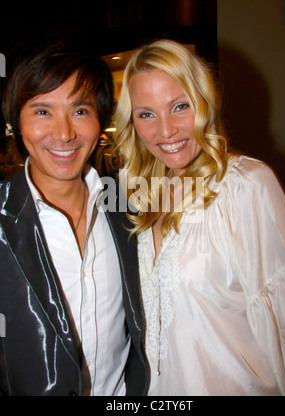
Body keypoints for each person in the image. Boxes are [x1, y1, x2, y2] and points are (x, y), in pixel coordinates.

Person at [114, 39, 285, 396]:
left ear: (203, 103)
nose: (165, 130)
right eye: (146, 114)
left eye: (179, 106)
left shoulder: (248, 186)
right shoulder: (141, 194)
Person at [0, 36, 149, 396]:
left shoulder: (128, 206)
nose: (64, 133)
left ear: (99, 121)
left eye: (80, 110)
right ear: (17, 122)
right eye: (42, 111)